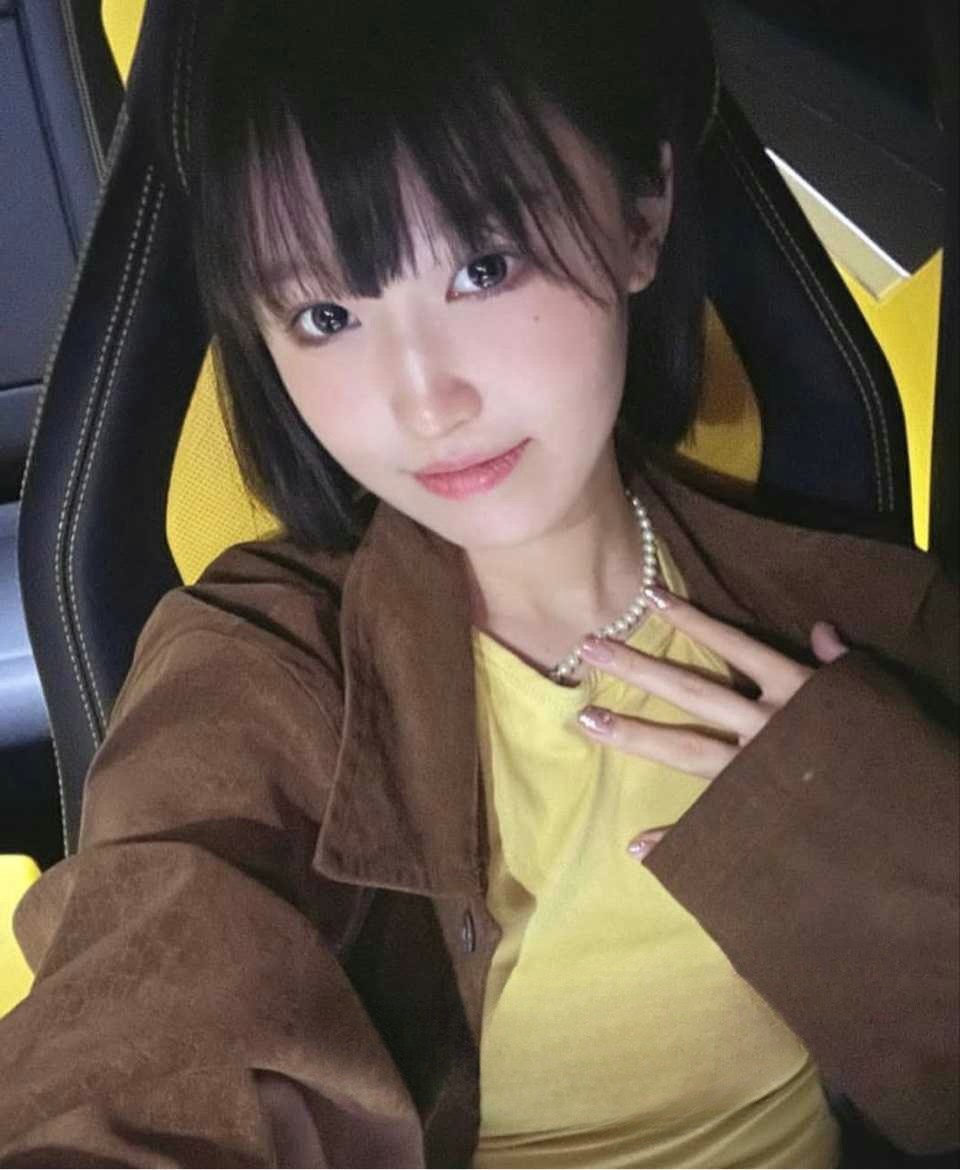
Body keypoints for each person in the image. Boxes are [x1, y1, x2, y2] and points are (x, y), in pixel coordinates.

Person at [0, 1, 956, 1166]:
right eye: (327, 315)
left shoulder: (860, 613)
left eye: (483, 267)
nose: (425, 401)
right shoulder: (261, 667)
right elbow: (147, 1009)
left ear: (640, 216)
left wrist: (888, 828)